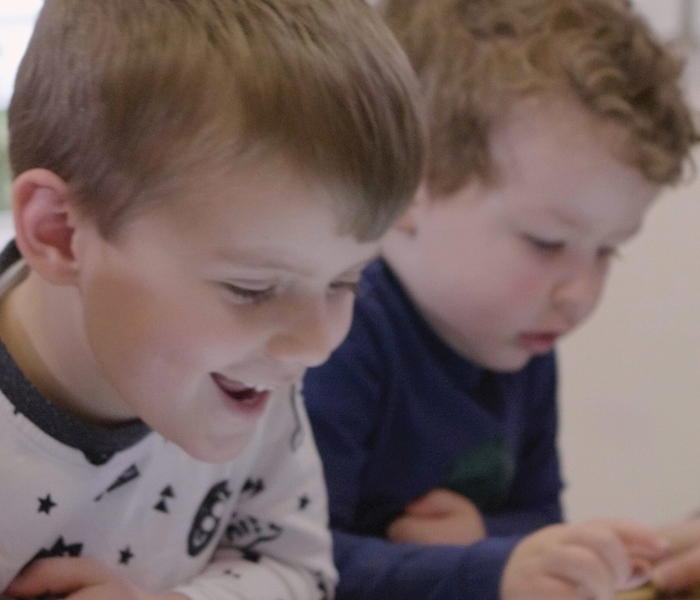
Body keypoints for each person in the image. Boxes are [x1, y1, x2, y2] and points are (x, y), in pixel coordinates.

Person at [0, 1, 425, 599]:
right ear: (60, 233)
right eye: (251, 289)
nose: (315, 344)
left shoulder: (249, 377)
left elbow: (299, 572)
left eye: (345, 281)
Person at [302, 0, 700, 599]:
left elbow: (540, 519)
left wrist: (486, 536)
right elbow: (294, 566)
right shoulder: (335, 339)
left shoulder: (521, 341)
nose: (582, 294)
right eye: (547, 243)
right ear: (409, 185)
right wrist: (491, 569)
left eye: (607, 251)